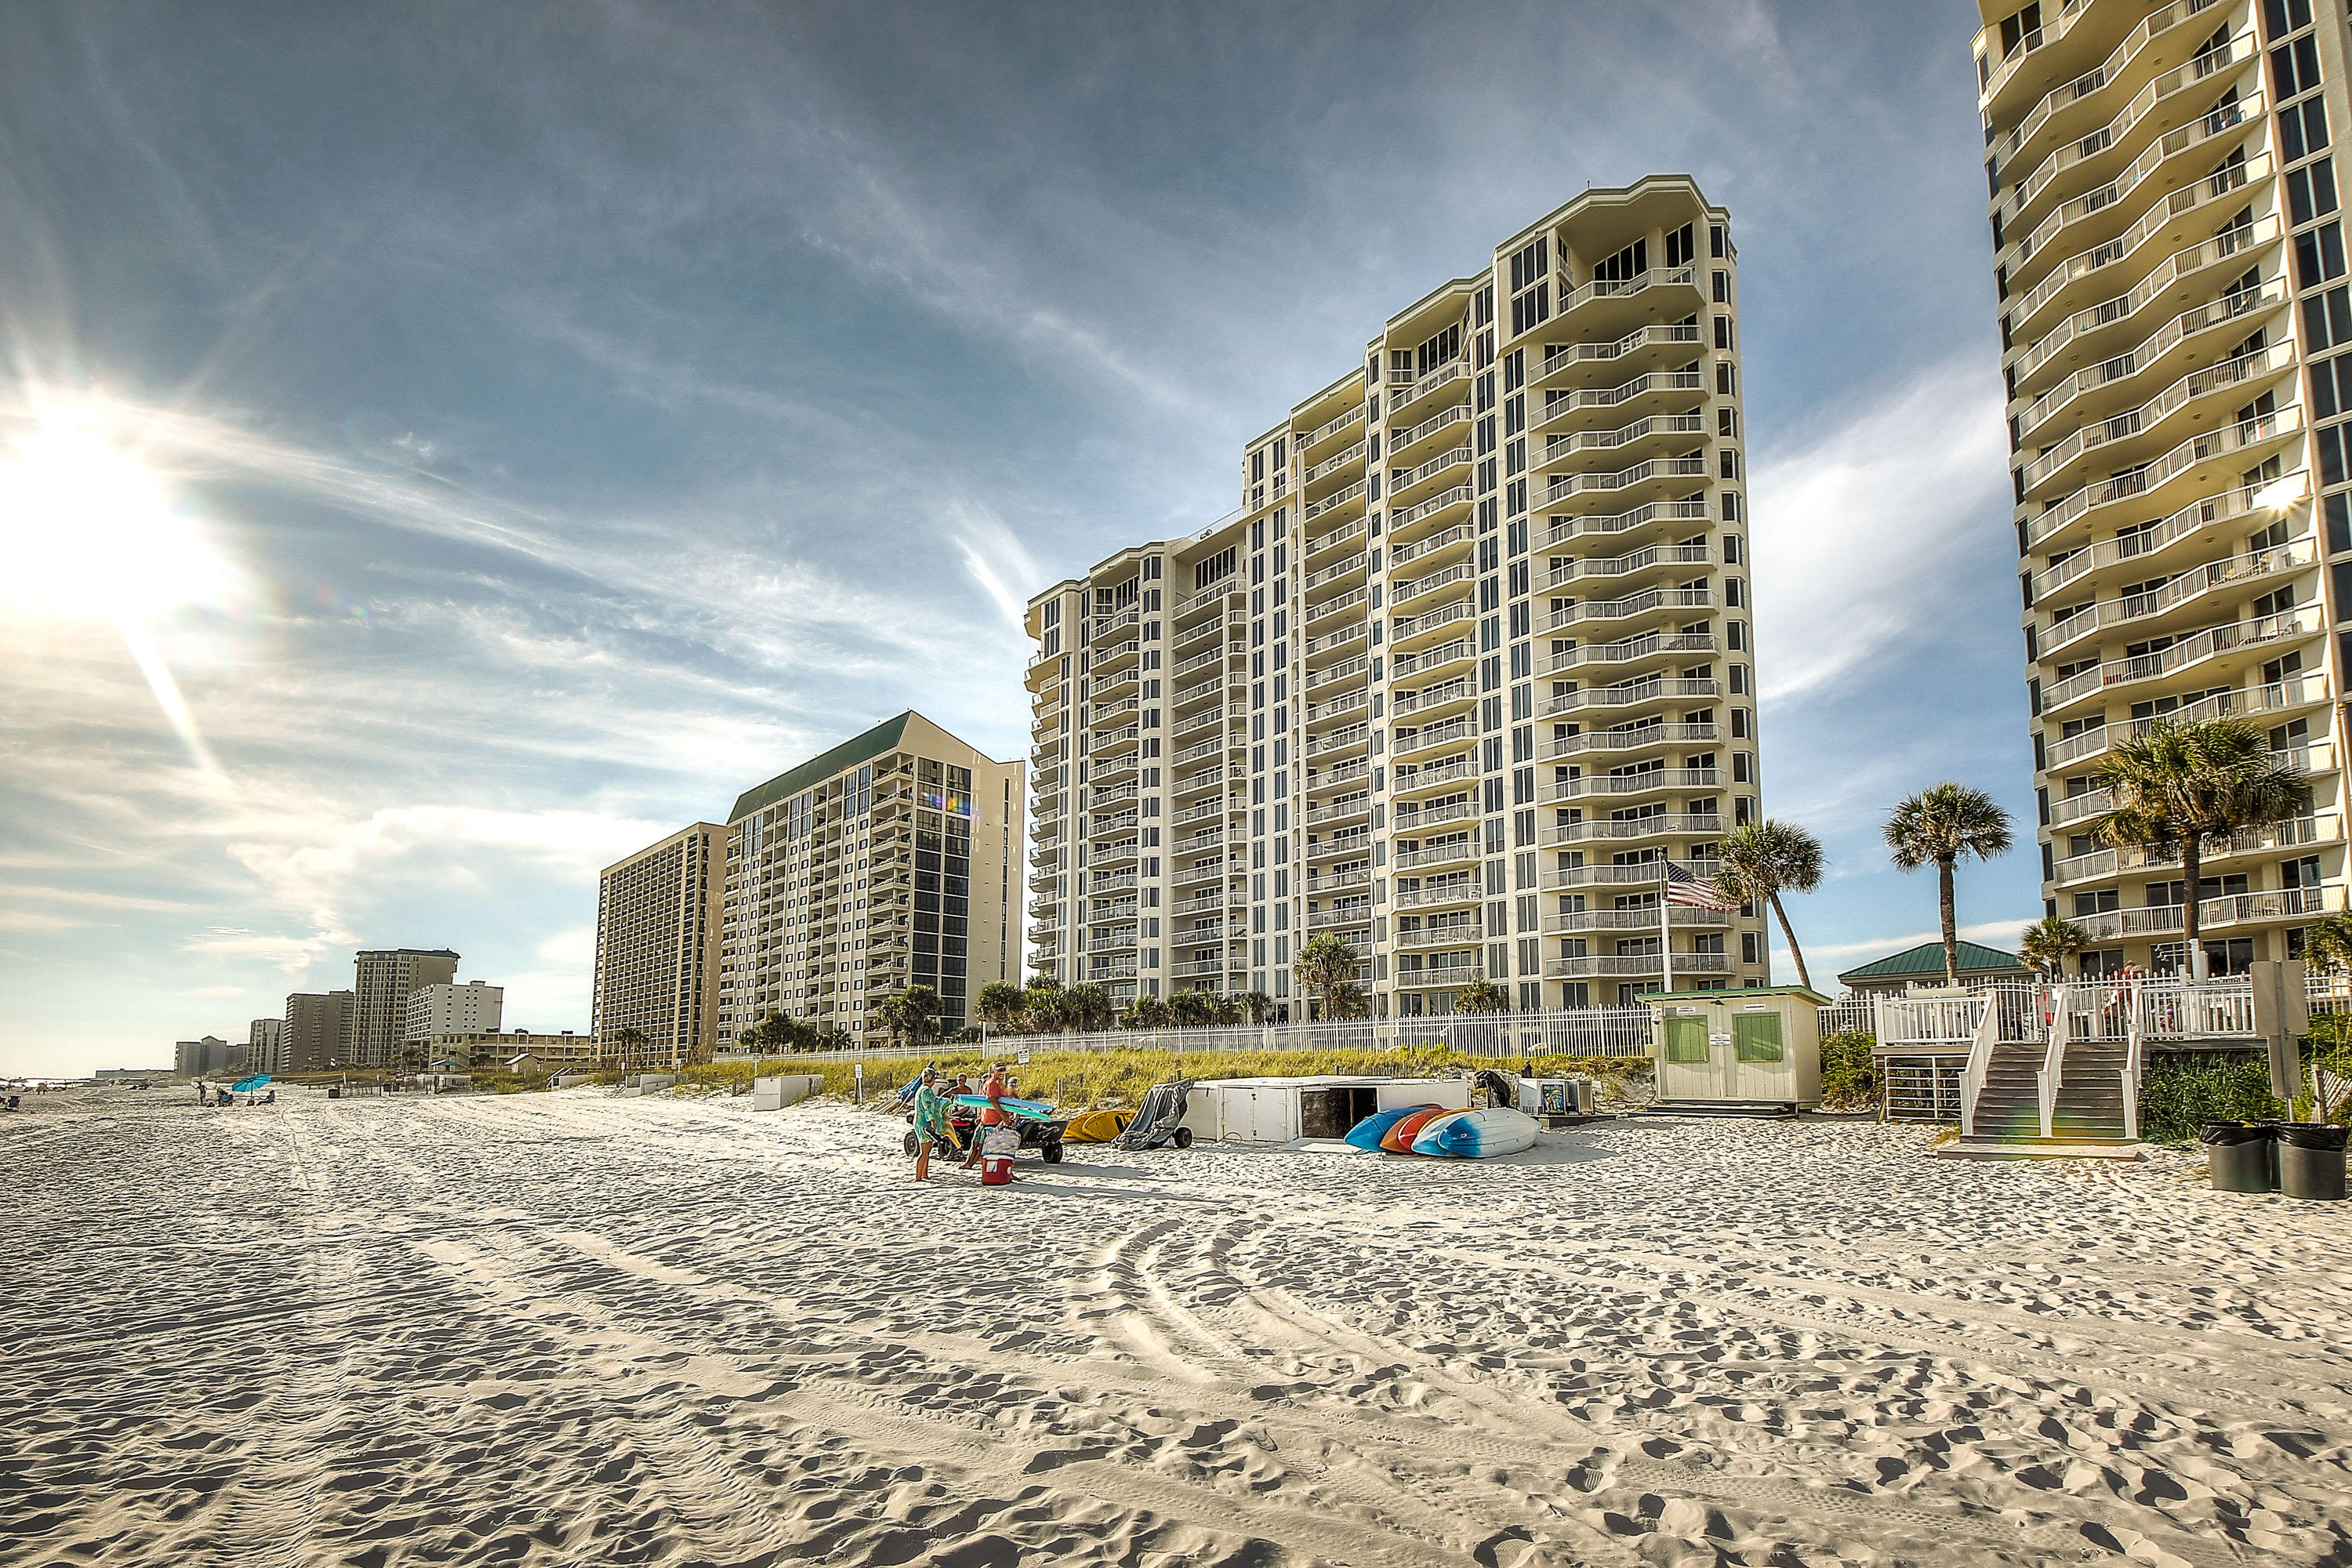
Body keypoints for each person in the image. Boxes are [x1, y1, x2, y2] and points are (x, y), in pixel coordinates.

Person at [964, 1062, 1011, 1171]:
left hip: (990, 1120)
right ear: (993, 1071)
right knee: (982, 1145)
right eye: (999, 1070)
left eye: (1003, 1070)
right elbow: (993, 1100)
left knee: (981, 1145)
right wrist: (1004, 1116)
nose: (1002, 1072)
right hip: (991, 1121)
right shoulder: (992, 1083)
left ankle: (971, 1164)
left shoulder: (999, 1084)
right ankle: (971, 1164)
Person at [911, 1069, 949, 1183]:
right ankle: (918, 1177)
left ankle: (924, 1174)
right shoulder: (926, 1091)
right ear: (932, 1080)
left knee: (927, 1150)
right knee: (925, 1151)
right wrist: (932, 1122)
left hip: (920, 1121)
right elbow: (928, 1108)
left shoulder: (922, 1089)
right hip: (924, 1123)